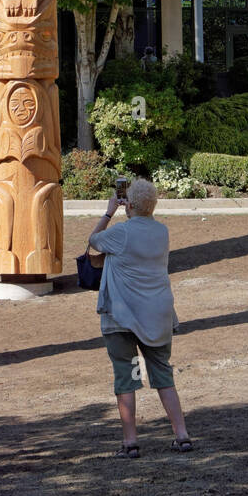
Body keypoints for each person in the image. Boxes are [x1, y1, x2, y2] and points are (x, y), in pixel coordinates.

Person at [89, 177, 192, 458]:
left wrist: (109, 212)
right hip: (157, 315)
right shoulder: (162, 232)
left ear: (128, 204)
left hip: (121, 318)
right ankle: (181, 434)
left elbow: (93, 242)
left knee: (127, 375)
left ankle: (131, 441)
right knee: (162, 373)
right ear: (153, 205)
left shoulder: (121, 233)